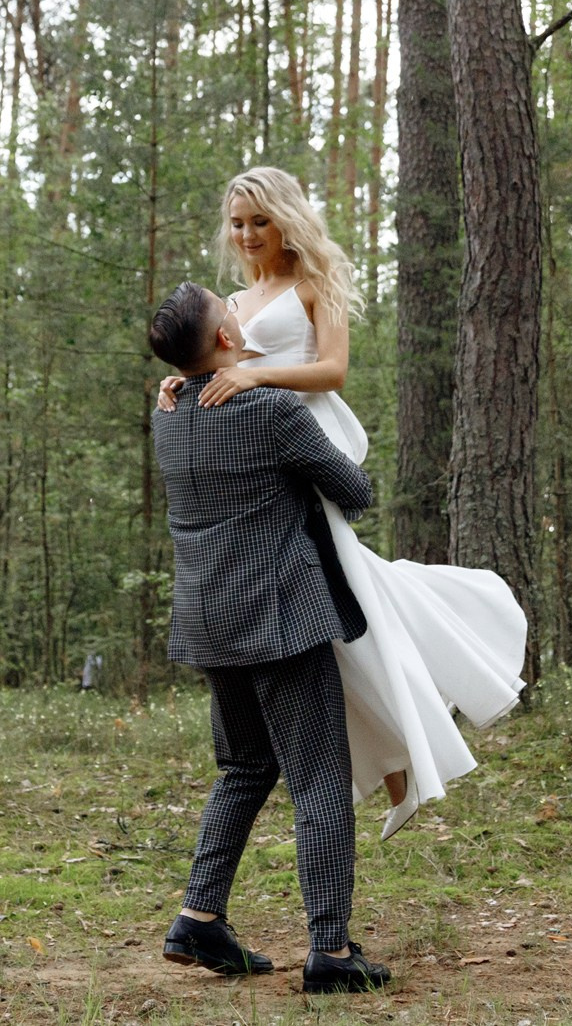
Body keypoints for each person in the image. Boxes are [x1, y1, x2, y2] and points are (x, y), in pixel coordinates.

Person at [161, 166, 526, 839]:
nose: (246, 235)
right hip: (266, 476)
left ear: (285, 219)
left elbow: (332, 370)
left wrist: (254, 373)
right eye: (238, 223)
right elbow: (215, 366)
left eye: (259, 222)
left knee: (355, 609)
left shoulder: (312, 283)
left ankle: (412, 750)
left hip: (310, 458)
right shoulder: (237, 301)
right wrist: (177, 381)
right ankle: (400, 763)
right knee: (344, 620)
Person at [147, 280, 392, 994]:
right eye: (227, 309)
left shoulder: (166, 411)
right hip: (280, 615)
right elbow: (356, 490)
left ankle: (198, 916)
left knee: (246, 767)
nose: (236, 307)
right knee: (318, 779)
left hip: (208, 617)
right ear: (225, 339)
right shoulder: (271, 410)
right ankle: (330, 952)